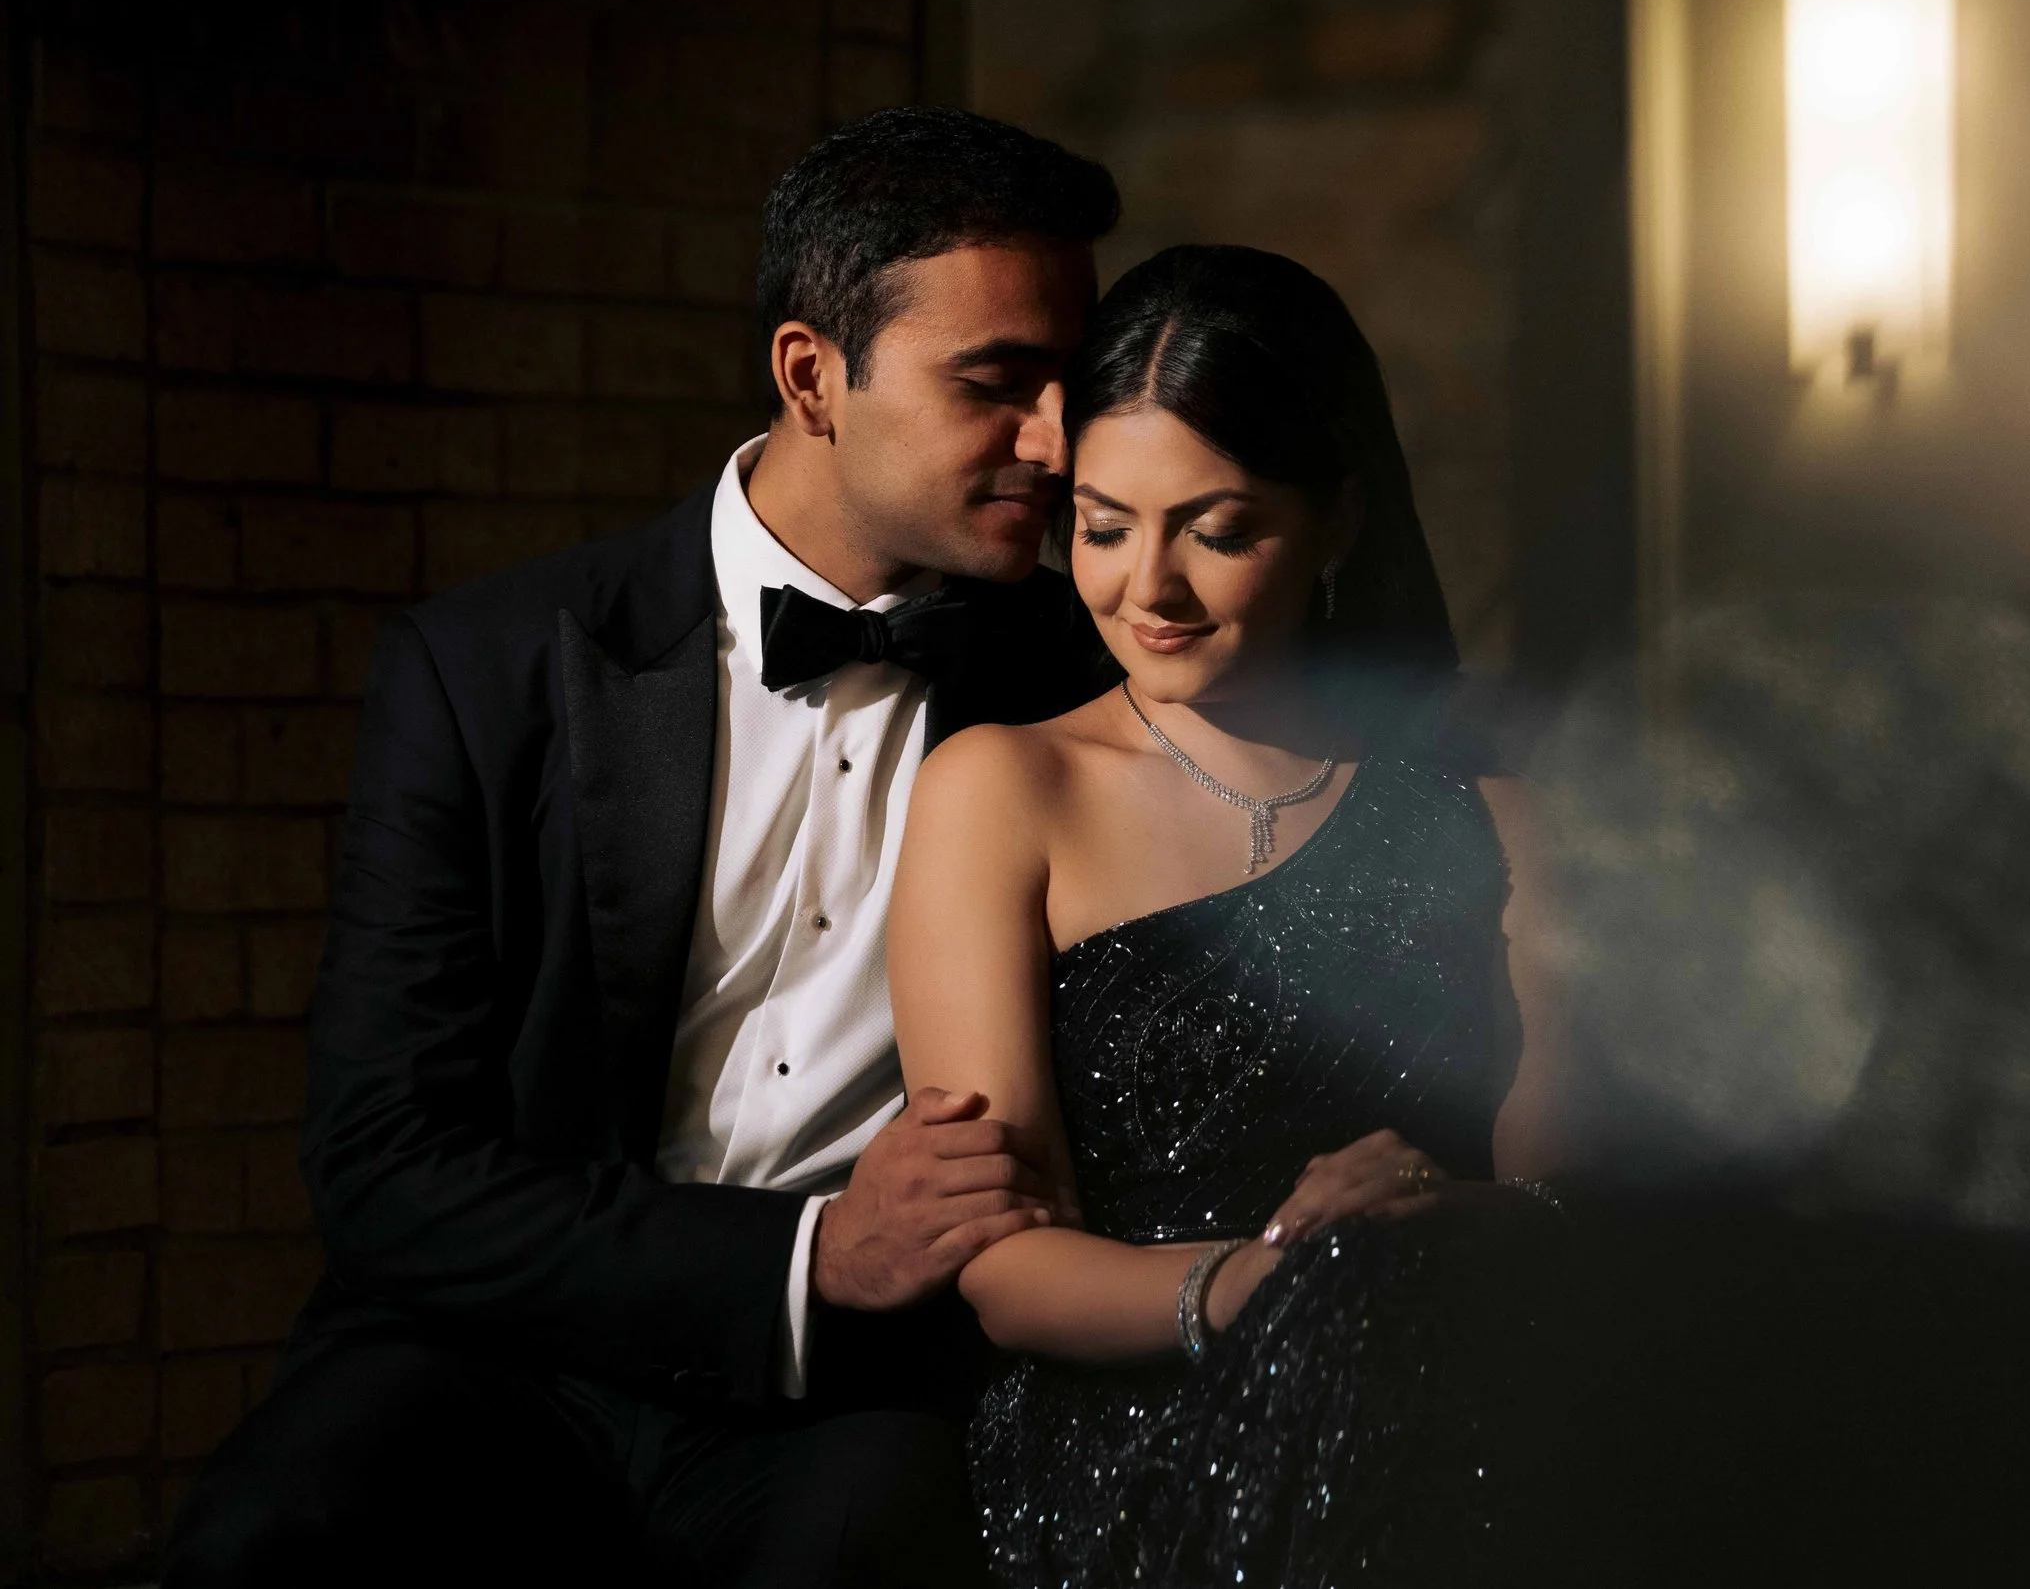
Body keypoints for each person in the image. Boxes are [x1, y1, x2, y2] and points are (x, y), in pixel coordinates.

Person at [163, 108, 1122, 1589]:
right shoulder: (487, 670)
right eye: (997, 383)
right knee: (268, 1537)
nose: (1056, 441)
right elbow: (382, 1162)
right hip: (498, 1350)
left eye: (1073, 383)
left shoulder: (1083, 680)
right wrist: (803, 1263)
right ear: (813, 375)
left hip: (859, 1392)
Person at [889, 245, 1573, 1588]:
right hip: (1135, 1421)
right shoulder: (1003, 789)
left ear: (1338, 522)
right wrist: (1267, 1285)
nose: (1150, 587)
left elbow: (1566, 1198)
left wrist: (1429, 1216)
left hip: (1440, 1383)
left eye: (1217, 529)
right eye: (1103, 525)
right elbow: (1005, 1265)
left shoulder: (1499, 812)